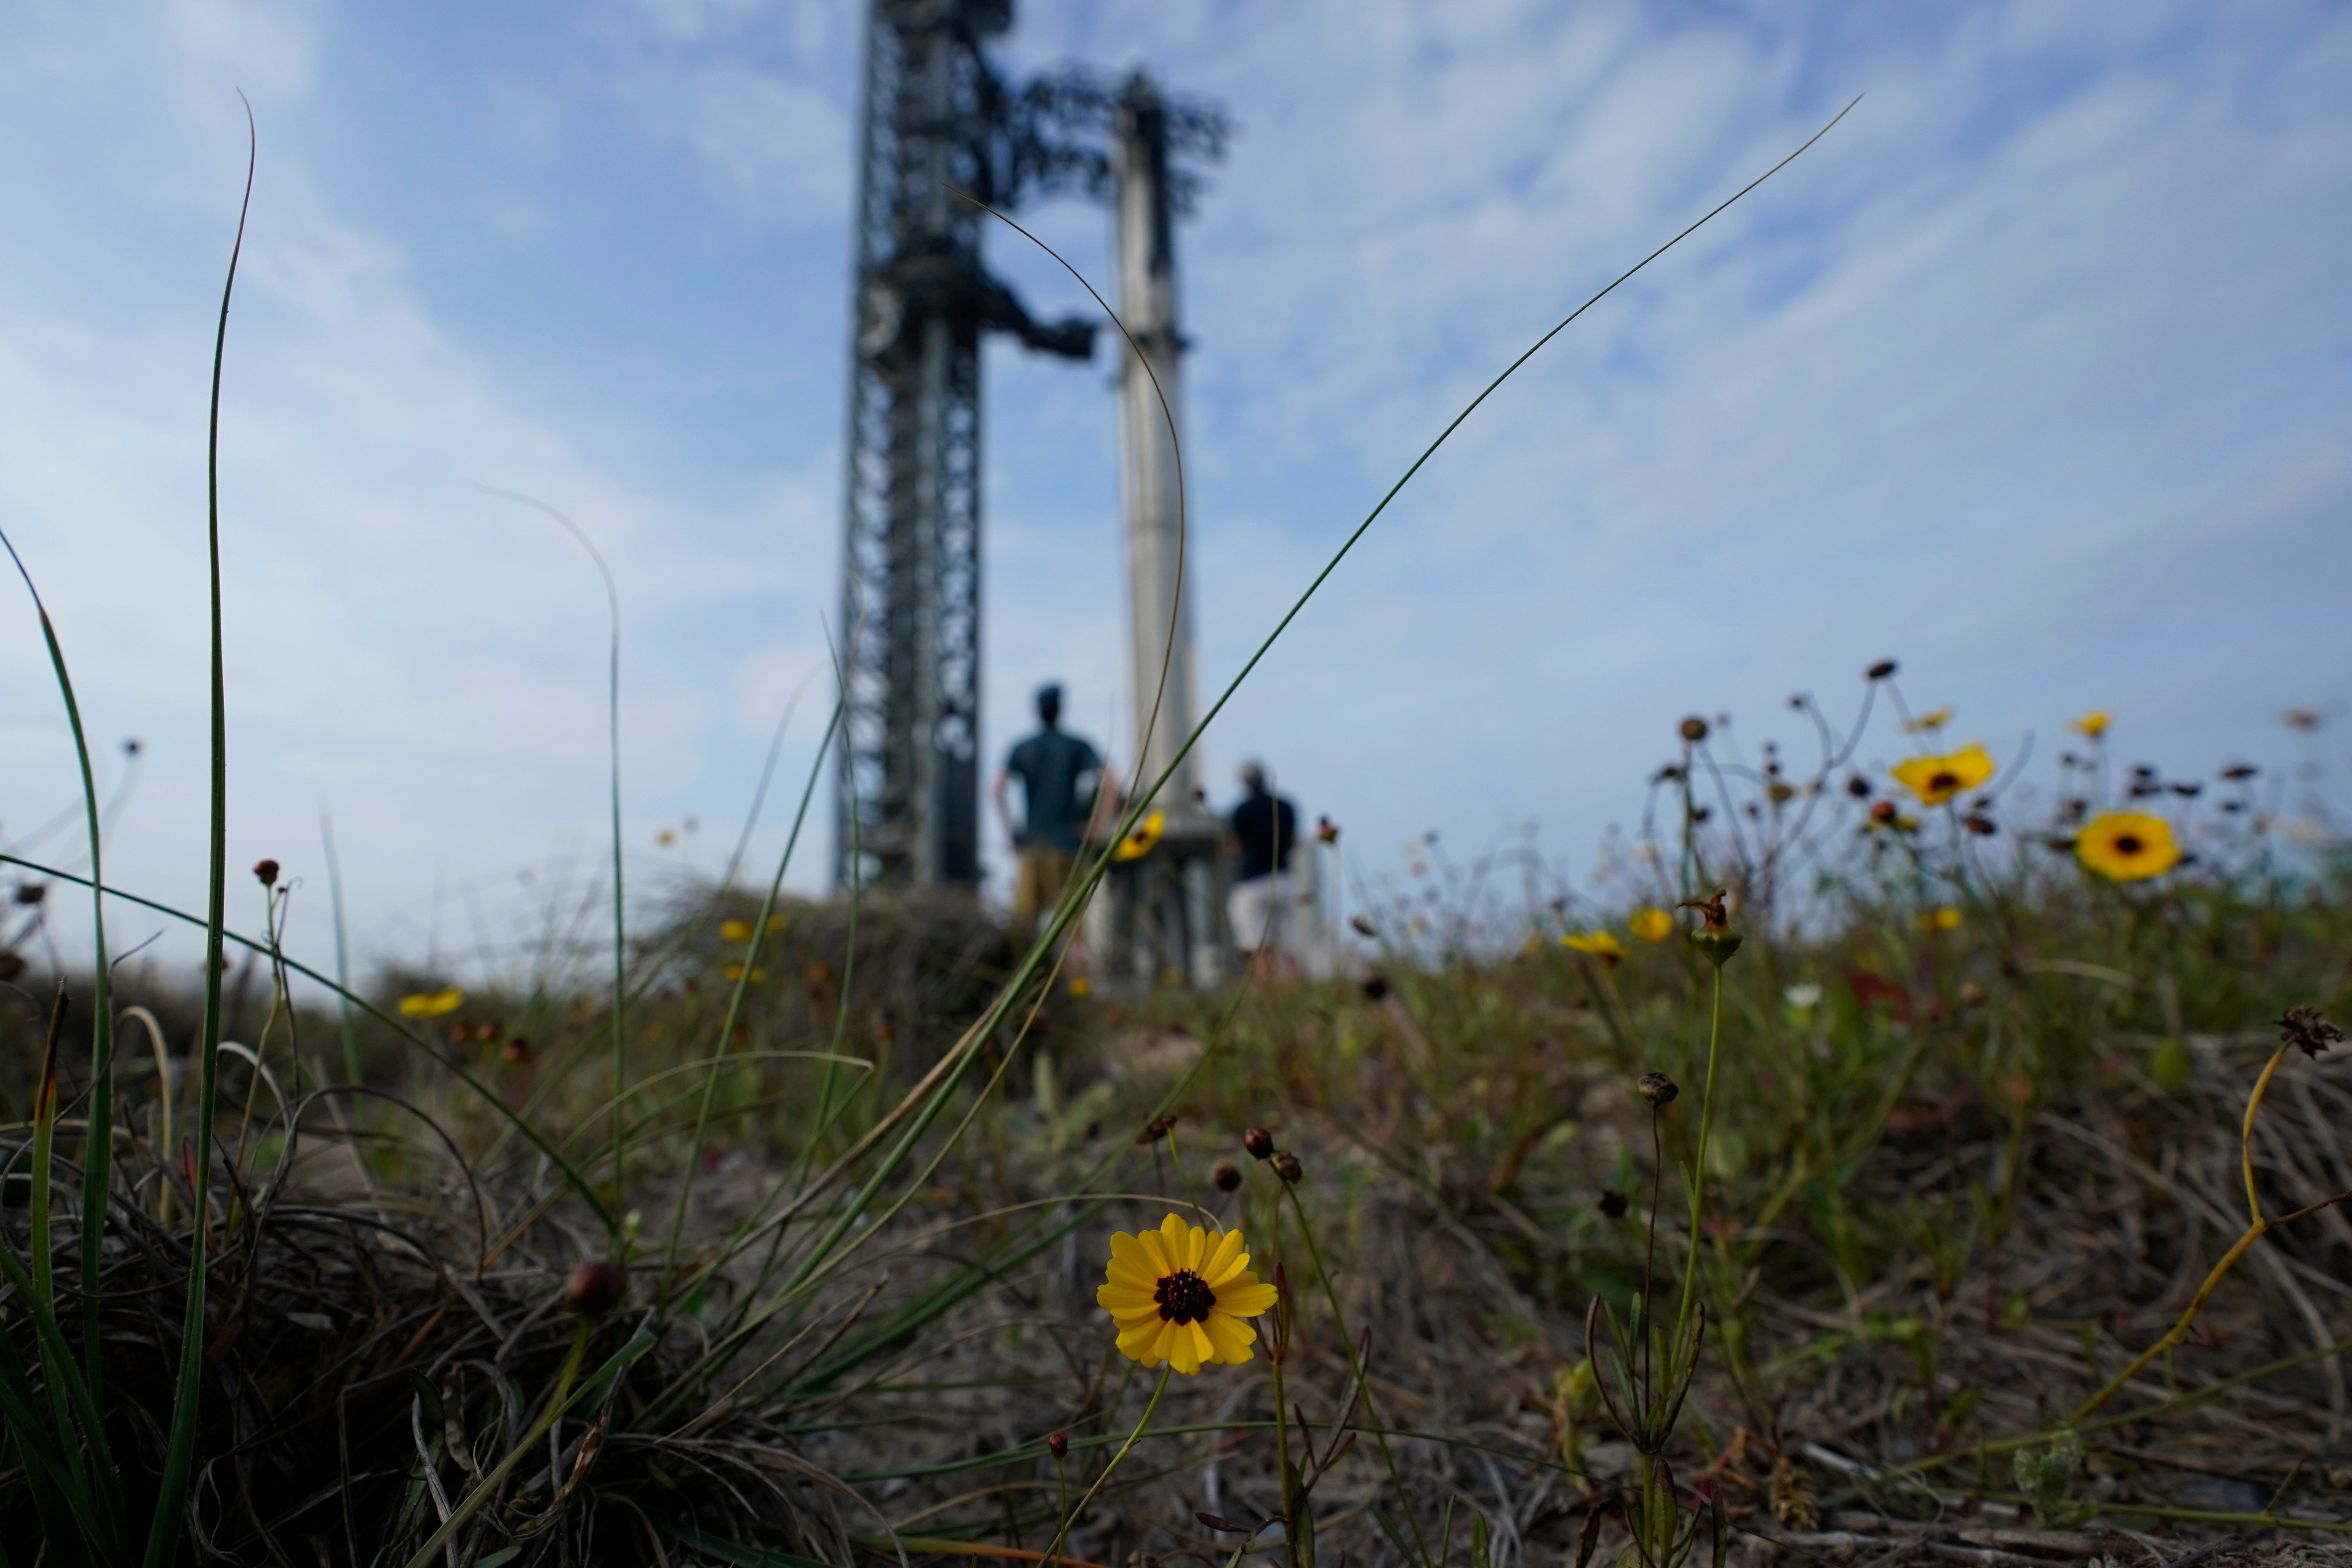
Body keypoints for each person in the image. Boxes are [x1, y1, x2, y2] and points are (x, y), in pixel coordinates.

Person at [992, 684, 1114, 945]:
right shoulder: (1077, 746)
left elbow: (996, 787)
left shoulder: (1023, 748)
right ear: (1061, 709)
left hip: (1033, 847)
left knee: (1023, 928)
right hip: (1069, 848)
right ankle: (1076, 984)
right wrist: (1096, 827)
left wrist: (1010, 832)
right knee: (1072, 932)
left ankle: (1029, 983)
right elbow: (1110, 781)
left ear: (1037, 711)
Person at [1227, 760, 1302, 975]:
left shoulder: (1241, 811)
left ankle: (1266, 987)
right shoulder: (1287, 806)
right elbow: (1293, 841)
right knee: (1291, 946)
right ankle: (1299, 989)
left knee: (1258, 946)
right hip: (1284, 880)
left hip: (1253, 882)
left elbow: (1236, 847)